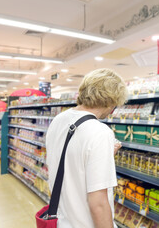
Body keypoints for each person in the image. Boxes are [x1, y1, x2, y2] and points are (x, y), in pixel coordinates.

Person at [46, 68, 128, 228]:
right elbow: (98, 204)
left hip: (62, 221)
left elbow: (70, 161)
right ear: (111, 100)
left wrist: (104, 155)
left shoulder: (58, 120)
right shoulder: (100, 132)